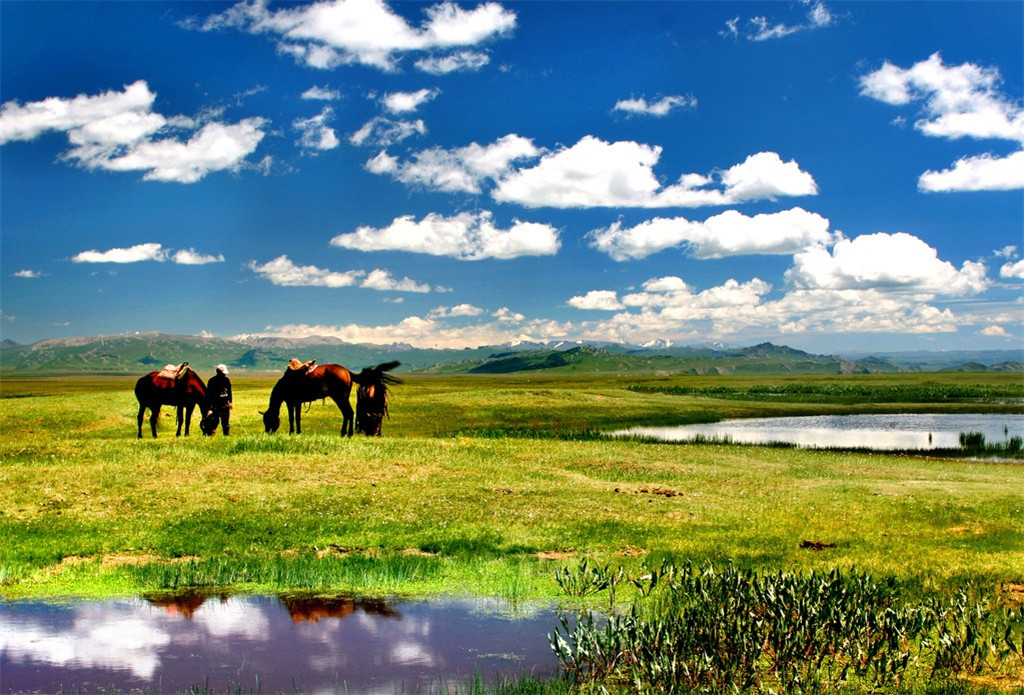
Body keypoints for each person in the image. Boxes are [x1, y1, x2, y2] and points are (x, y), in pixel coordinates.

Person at [206, 364, 233, 435]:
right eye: (222, 373)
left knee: (225, 422)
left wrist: (230, 402)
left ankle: (226, 434)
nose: (224, 375)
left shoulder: (227, 380)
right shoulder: (212, 381)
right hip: (216, 405)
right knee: (215, 421)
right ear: (218, 372)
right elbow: (209, 396)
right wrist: (210, 408)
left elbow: (229, 391)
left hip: (225, 404)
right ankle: (211, 433)